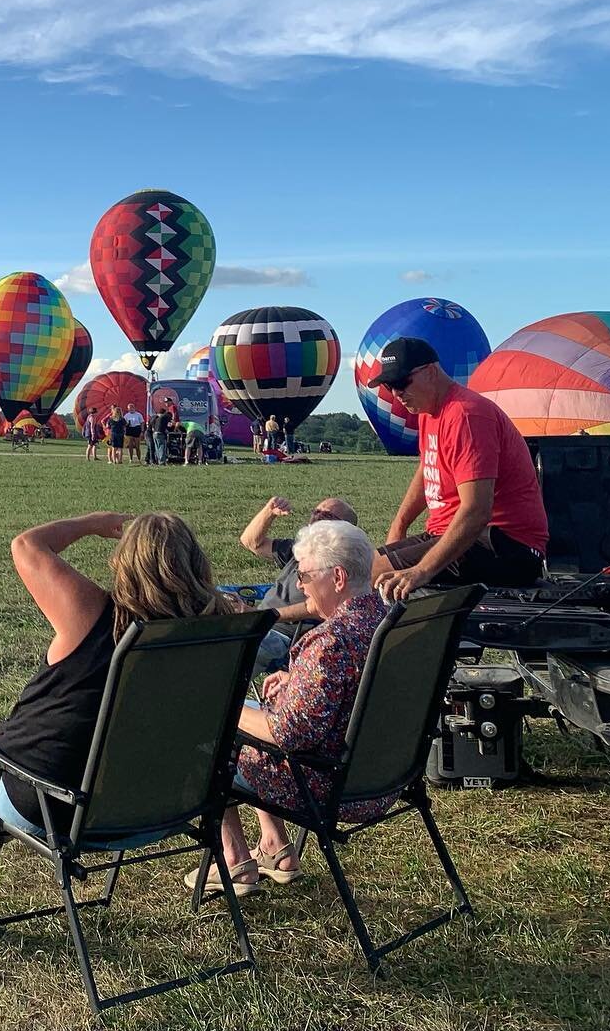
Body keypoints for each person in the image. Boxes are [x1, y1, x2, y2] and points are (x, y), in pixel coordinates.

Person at [0, 513, 239, 933]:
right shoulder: (219, 633)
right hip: (167, 809)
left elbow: (26, 545)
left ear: (125, 561)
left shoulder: (91, 614)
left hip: (60, 811)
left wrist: (94, 523)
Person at [188, 519, 391, 896]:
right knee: (252, 709)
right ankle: (275, 847)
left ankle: (234, 861)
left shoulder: (332, 642)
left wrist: (221, 707)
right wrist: (297, 681)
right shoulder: (384, 621)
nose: (298, 585)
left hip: (325, 784)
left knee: (205, 733)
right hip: (384, 774)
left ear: (339, 577)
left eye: (305, 575)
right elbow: (351, 696)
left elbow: (288, 734)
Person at [369, 337, 548, 599]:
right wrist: (400, 524)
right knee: (363, 566)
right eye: (389, 386)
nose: (396, 394)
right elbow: (428, 467)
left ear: (430, 372)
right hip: (458, 536)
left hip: (505, 544)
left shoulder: (466, 414)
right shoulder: (430, 412)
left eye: (401, 383)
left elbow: (477, 511)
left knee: (372, 577)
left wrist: (422, 571)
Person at [240, 495, 359, 672]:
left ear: (344, 530)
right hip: (257, 621)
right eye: (316, 512)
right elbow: (251, 542)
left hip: (282, 635)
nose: (318, 517)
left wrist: (266, 616)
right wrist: (269, 511)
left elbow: (320, 608)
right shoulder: (300, 548)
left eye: (327, 516)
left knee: (232, 653)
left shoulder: (339, 565)